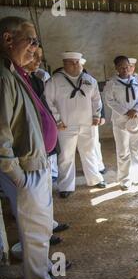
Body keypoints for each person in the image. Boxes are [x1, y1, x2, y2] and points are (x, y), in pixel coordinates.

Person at [0, 16, 71, 279]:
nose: (34, 48)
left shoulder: (14, 71)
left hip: (35, 164)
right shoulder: (4, 76)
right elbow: (1, 134)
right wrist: (17, 176)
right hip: (26, 170)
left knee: (39, 230)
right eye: (31, 41)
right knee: (34, 232)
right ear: (8, 39)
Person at [23, 46, 70, 244]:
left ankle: (48, 224)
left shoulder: (38, 78)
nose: (38, 60)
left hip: (45, 146)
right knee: (34, 195)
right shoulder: (19, 80)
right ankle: (41, 233)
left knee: (46, 187)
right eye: (34, 56)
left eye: (40, 57)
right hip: (31, 147)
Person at [45, 52, 106, 199]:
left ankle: (94, 179)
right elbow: (48, 101)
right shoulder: (55, 80)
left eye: (77, 62)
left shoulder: (89, 80)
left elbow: (97, 100)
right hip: (65, 125)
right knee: (66, 155)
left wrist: (97, 115)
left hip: (87, 124)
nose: (75, 65)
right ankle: (65, 186)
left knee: (89, 152)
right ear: (64, 63)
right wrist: (57, 120)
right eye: (71, 62)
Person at [104, 56, 138, 191]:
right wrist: (125, 111)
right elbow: (110, 100)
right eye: (121, 67)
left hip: (135, 119)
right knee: (123, 151)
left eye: (127, 66)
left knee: (137, 149)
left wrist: (135, 109)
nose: (125, 69)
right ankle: (125, 180)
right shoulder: (112, 84)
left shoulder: (137, 80)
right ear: (116, 68)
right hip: (121, 121)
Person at [80, 57, 107, 175]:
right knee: (83, 147)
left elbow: (98, 101)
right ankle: (90, 169)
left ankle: (99, 166)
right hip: (76, 120)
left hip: (92, 118)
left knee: (95, 143)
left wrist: (102, 116)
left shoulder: (90, 82)